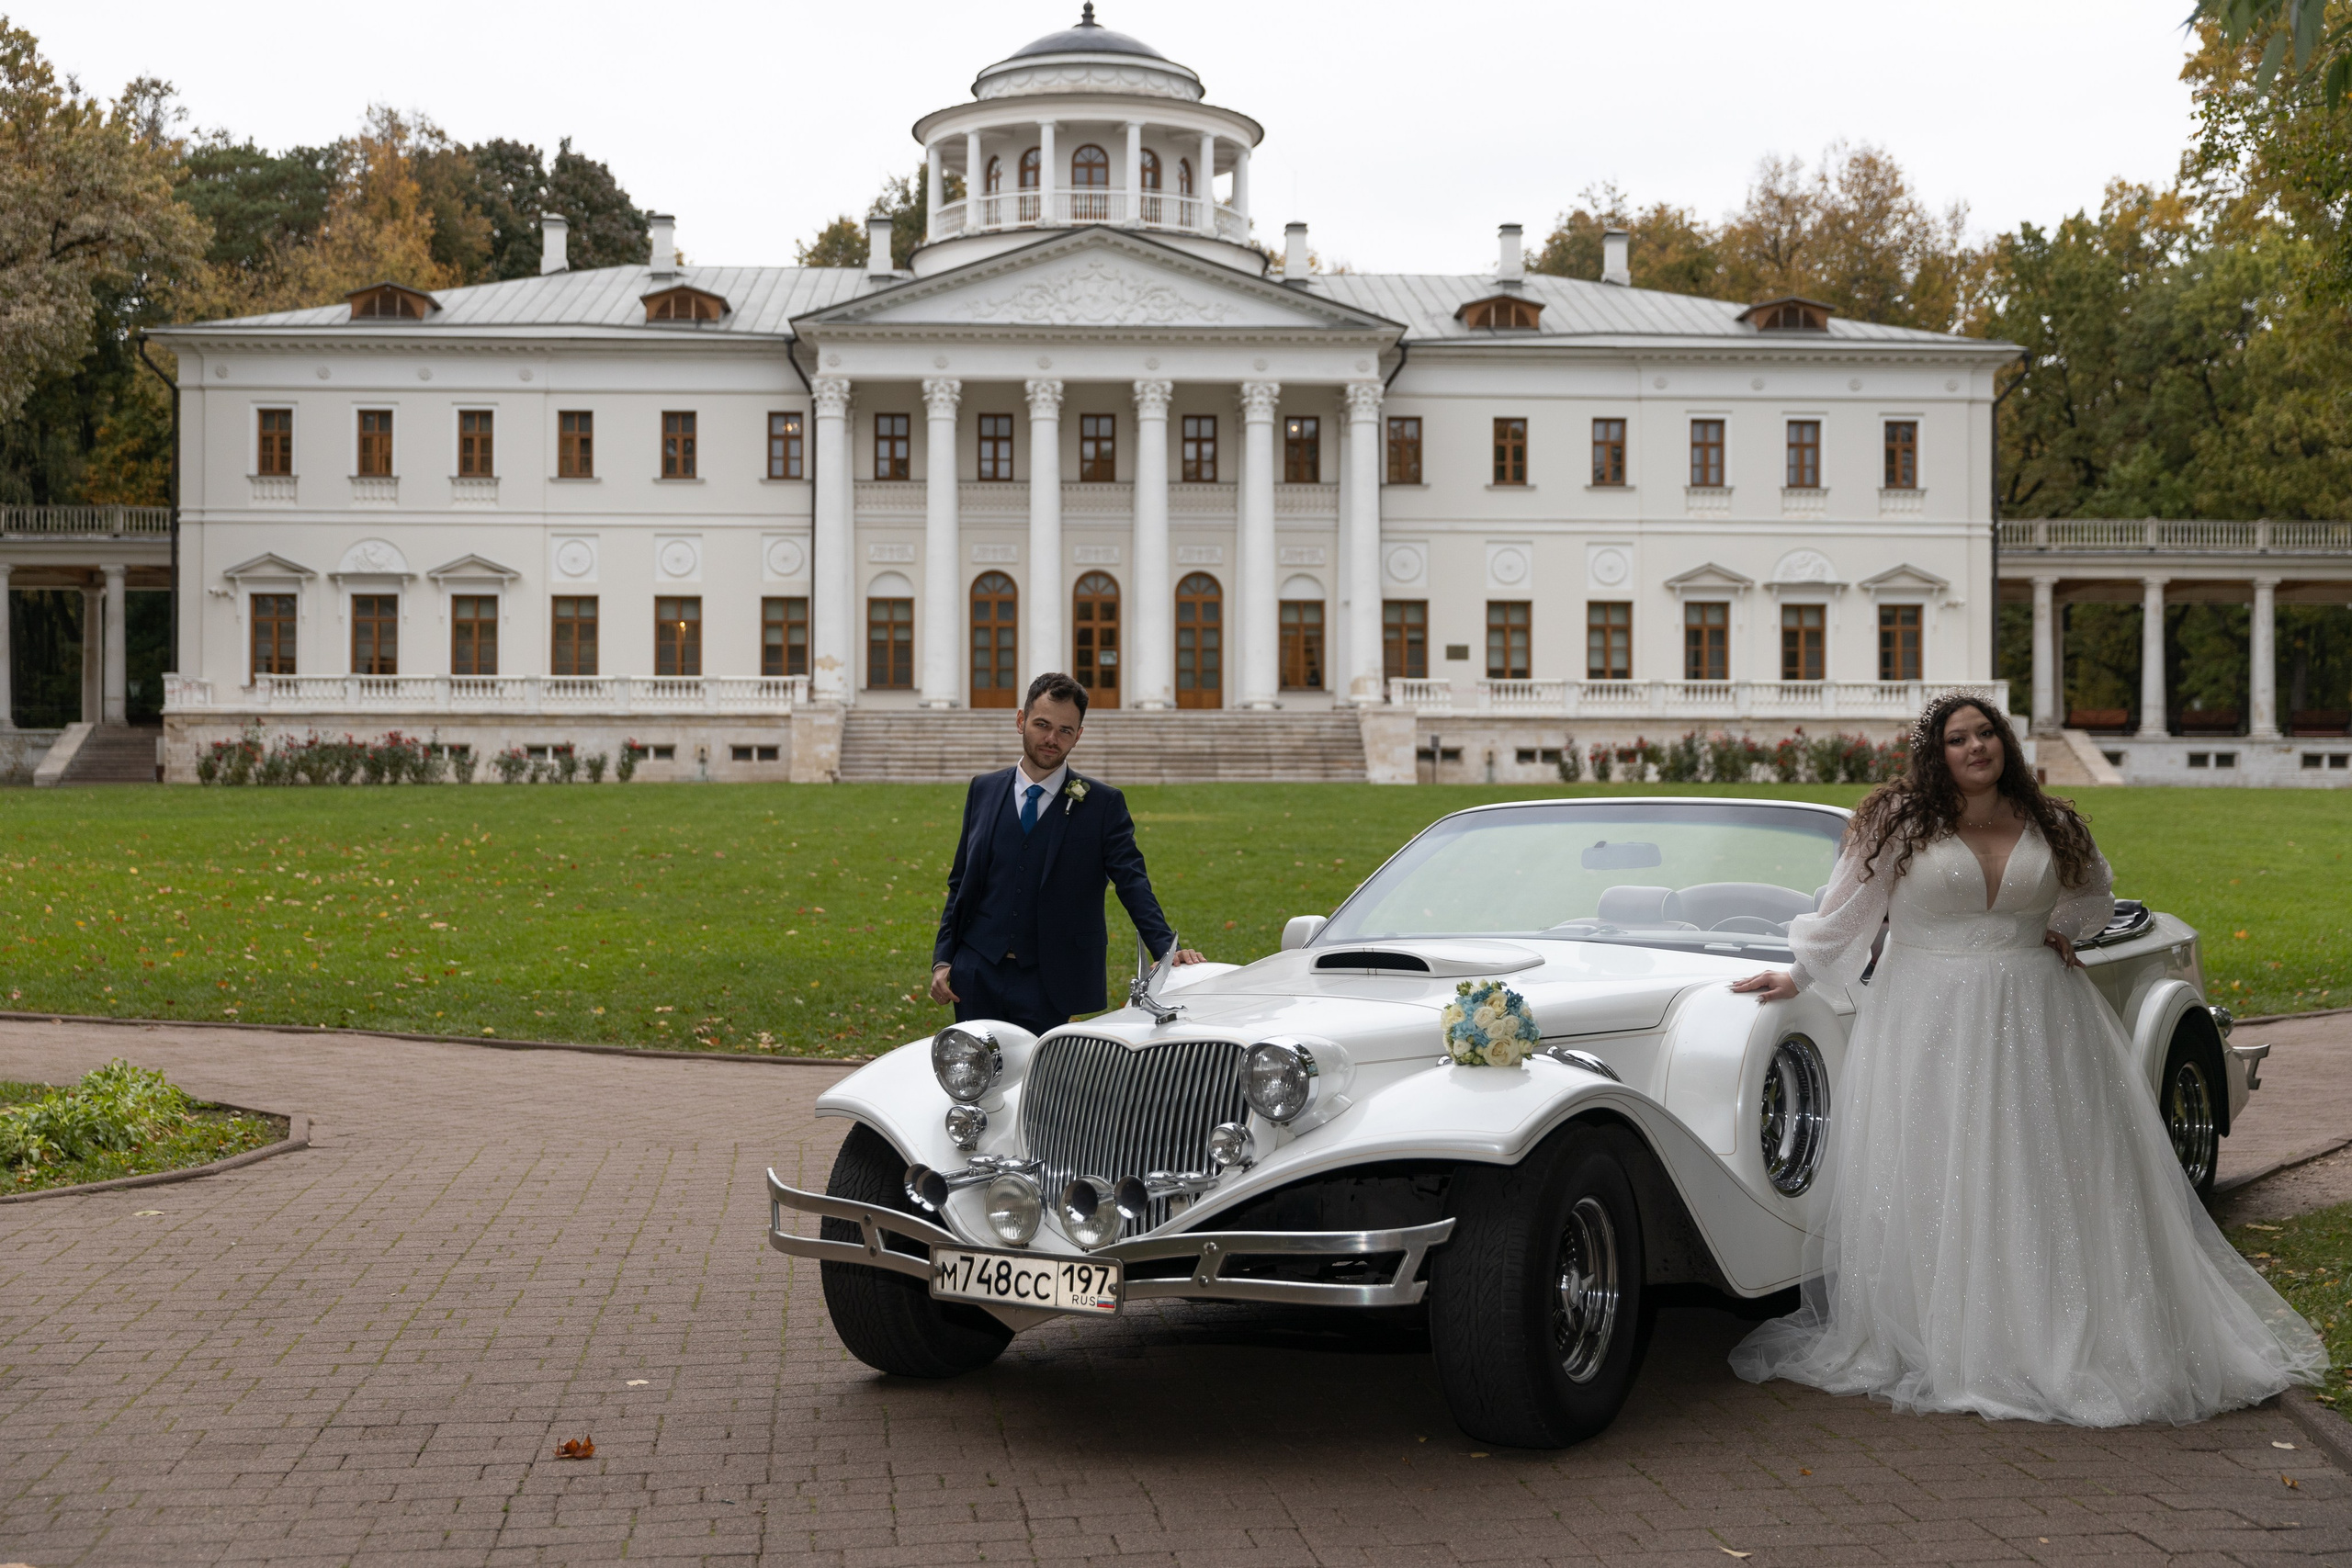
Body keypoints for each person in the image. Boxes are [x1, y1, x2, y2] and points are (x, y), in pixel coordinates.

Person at [1724, 693, 2322, 1425]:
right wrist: (1797, 975)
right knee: (1947, 1168)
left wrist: (2059, 929)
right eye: (1956, 738)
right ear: (1935, 752)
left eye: (1985, 733)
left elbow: (2094, 898)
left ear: (2003, 740)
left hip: (2041, 1016)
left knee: (2047, 1167)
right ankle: (1956, 1336)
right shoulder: (1896, 822)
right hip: (1928, 1019)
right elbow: (1846, 909)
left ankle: (2056, 1328)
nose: (1975, 747)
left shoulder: (2052, 820)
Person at [930, 672, 1204, 1037]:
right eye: (1042, 724)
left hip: (1051, 979)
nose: (1051, 739)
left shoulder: (1103, 804)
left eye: (1065, 730)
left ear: (1079, 735)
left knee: (1041, 1087)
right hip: (977, 972)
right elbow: (961, 880)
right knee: (973, 1081)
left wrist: (1167, 949)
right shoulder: (984, 789)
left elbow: (1131, 880)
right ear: (1020, 720)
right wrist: (944, 959)